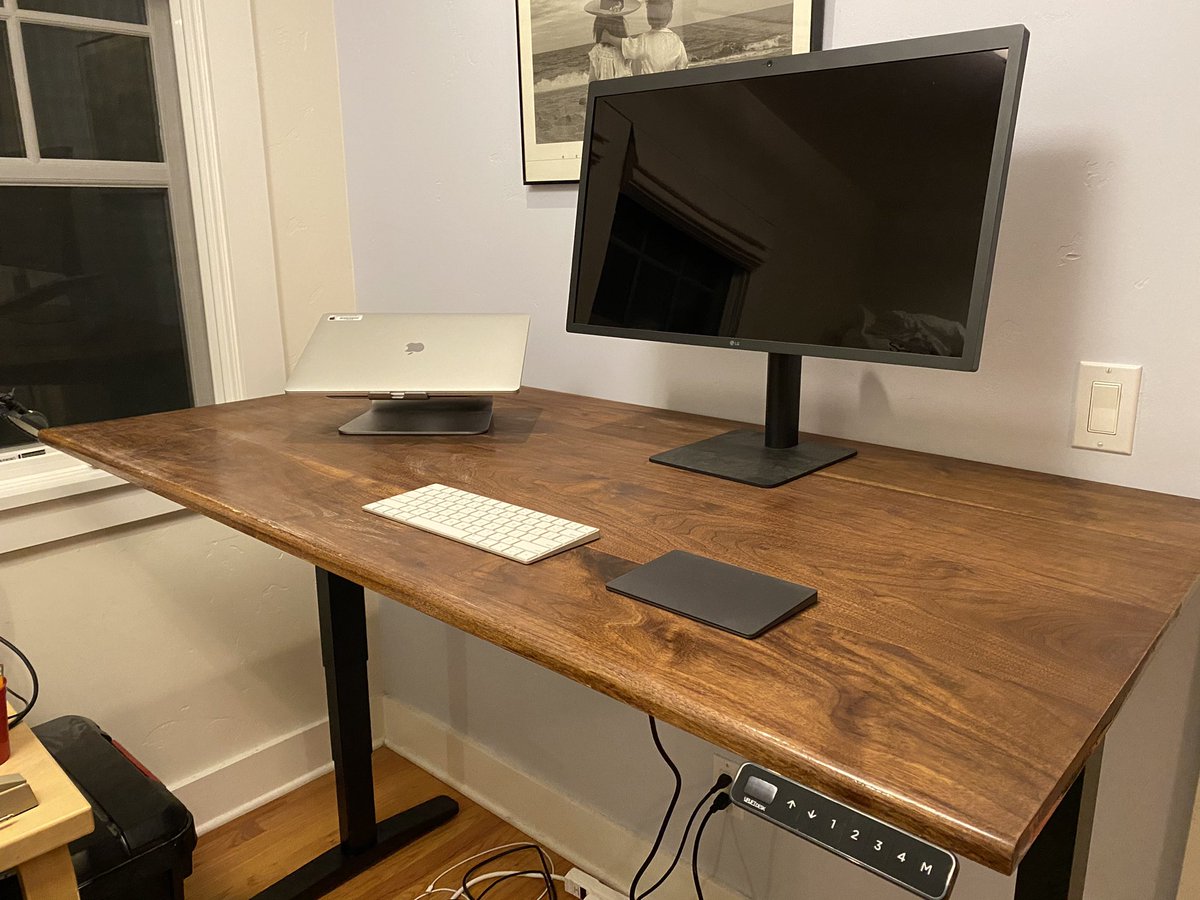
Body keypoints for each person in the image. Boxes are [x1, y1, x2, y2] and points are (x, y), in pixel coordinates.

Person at [604, 0, 688, 76]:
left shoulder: (644, 41)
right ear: (670, 15)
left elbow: (624, 45)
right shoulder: (677, 41)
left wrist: (608, 38)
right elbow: (682, 67)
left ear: (649, 16)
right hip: (669, 86)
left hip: (650, 85)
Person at [584, 1, 639, 81]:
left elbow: (592, 82)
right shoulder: (628, 47)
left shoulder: (597, 51)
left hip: (607, 92)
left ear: (599, 25)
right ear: (620, 25)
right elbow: (637, 75)